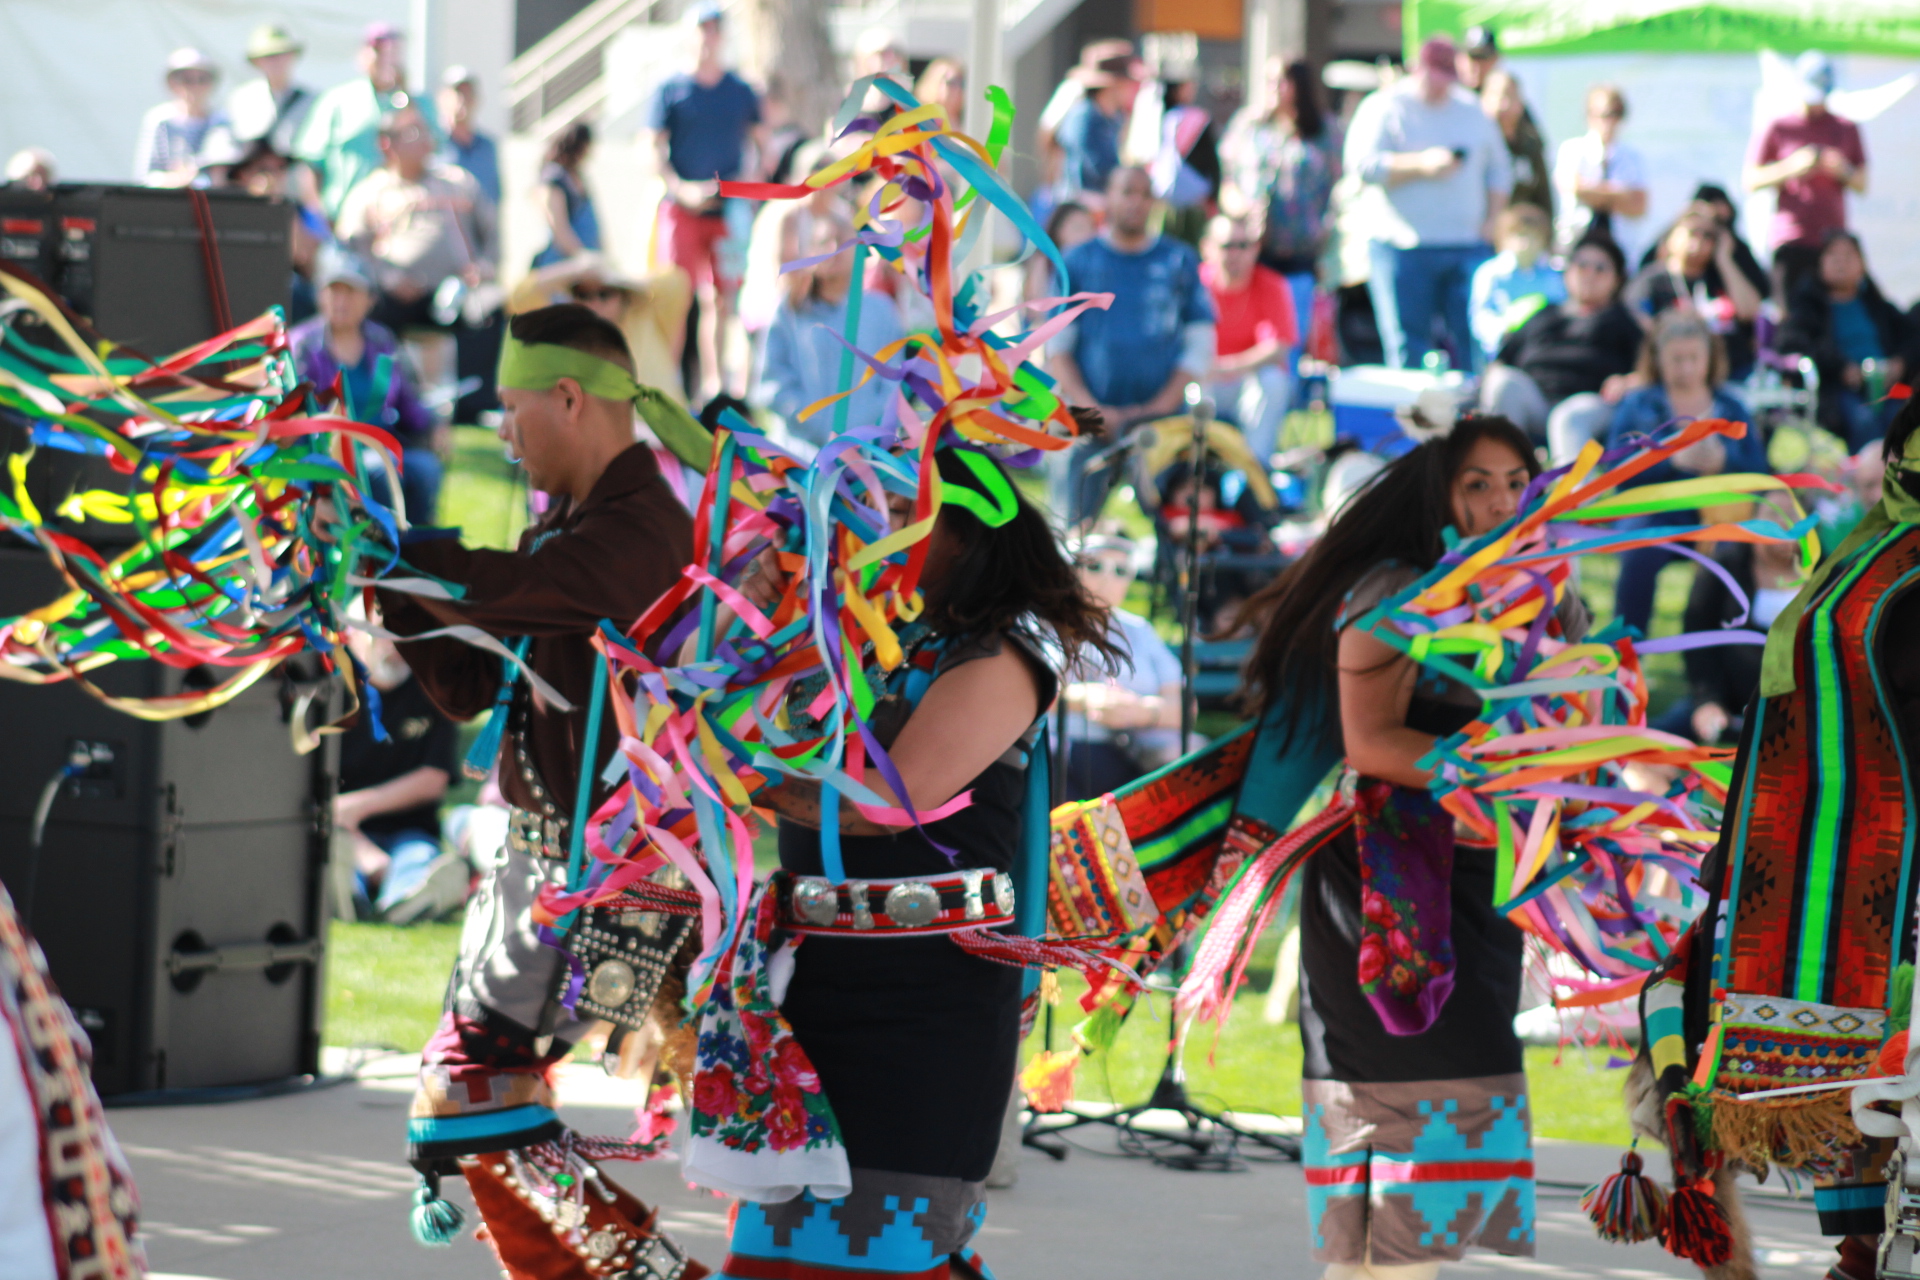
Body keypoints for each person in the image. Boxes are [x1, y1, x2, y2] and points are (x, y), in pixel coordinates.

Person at [724, 445, 1121, 1279]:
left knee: (889, 1252)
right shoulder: (844, 635)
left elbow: (890, 803)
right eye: (867, 511)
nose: (873, 532)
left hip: (928, 1002)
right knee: (775, 1256)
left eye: (901, 514)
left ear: (970, 529)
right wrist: (750, 619)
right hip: (814, 983)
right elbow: (731, 705)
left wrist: (734, 772)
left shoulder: (1008, 651)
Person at [376, 305, 702, 1277]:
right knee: (479, 1090)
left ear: (570, 398)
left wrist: (396, 552)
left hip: (609, 873)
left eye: (515, 410)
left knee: (469, 1089)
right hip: (547, 867)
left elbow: (522, 590)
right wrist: (390, 583)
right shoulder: (574, 522)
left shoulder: (646, 524)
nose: (503, 433)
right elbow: (480, 676)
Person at [1234, 414, 1560, 1278]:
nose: (1501, 500)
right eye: (1476, 483)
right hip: (1387, 896)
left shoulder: (1529, 592)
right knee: (1395, 1154)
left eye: (1517, 480)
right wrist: (1493, 774)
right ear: (1439, 493)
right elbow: (1372, 741)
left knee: (1443, 1159)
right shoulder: (1395, 591)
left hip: (1477, 893)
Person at [1636, 400, 1920, 1280]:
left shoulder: (1865, 567)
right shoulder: (1876, 570)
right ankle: (1864, 1246)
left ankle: (1865, 1248)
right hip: (1849, 891)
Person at [1049, 165, 1216, 526]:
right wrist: (1092, 411)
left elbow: (1200, 345)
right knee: (1068, 526)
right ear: (1108, 198)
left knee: (1178, 522)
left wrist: (1155, 408)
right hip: (1088, 420)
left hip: (1161, 422)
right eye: (1127, 192)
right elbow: (1056, 349)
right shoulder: (1077, 262)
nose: (1136, 203)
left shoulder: (1179, 260)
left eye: (1145, 194)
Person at [1345, 35, 1510, 370]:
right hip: (1402, 246)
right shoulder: (1384, 106)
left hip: (1465, 245)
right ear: (1417, 69)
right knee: (1408, 345)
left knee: (1471, 342)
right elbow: (1362, 166)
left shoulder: (1472, 110)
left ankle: (1470, 419)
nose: (1440, 90)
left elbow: (1500, 172)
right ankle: (1410, 419)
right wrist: (1419, 165)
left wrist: (1492, 220)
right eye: (1433, 80)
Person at [1605, 310, 1766, 635]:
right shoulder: (1638, 404)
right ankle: (1624, 657)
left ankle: (1721, 666)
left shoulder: (1731, 406)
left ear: (1710, 357)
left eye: (1695, 357)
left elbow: (1760, 473)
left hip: (1717, 517)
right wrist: (1671, 460)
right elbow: (1615, 470)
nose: (1687, 368)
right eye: (1677, 359)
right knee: (1640, 549)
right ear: (1657, 359)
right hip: (1654, 514)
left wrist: (1725, 462)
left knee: (1733, 554)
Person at [648, 1, 764, 402]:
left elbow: (759, 143)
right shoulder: (670, 90)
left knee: (722, 300)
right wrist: (680, 189)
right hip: (681, 210)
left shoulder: (741, 90)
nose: (708, 37)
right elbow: (652, 149)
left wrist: (747, 189)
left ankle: (716, 389)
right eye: (702, 29)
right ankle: (668, 385)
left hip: (727, 211)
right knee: (675, 297)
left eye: (715, 29)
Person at [289, 252, 443, 523]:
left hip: (380, 443)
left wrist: (435, 424)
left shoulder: (381, 341)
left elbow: (407, 402)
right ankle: (378, 555)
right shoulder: (302, 346)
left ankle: (417, 551)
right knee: (383, 473)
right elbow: (295, 417)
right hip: (327, 452)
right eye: (334, 291)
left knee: (425, 469)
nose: (341, 301)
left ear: (370, 300)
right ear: (319, 296)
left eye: (351, 293)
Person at [336, 622, 466, 923]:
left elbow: (434, 779)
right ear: (353, 638)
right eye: (382, 636)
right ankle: (349, 896)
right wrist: (360, 844)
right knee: (338, 855)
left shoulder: (433, 690)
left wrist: (356, 807)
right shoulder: (332, 692)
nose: (394, 648)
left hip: (409, 830)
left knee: (416, 857)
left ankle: (404, 901)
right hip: (339, 832)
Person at [336, 102, 497, 341]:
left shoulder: (457, 182)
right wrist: (385, 276)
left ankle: (477, 379)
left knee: (490, 310)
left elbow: (493, 232)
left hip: (457, 290)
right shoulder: (369, 192)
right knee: (373, 315)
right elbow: (350, 247)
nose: (424, 139)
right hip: (395, 297)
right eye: (413, 133)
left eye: (426, 130)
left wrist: (485, 265)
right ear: (387, 144)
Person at [1479, 234, 1643, 462]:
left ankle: (1573, 497)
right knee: (1503, 382)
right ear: (1567, 272)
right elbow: (1501, 362)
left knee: (1566, 418)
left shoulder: (1624, 322)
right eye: (1582, 265)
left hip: (1591, 405)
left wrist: (1627, 382)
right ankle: (1506, 480)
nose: (1589, 274)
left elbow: (1651, 372)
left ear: (1617, 279)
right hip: (1537, 402)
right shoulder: (1544, 314)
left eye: (1600, 268)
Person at [754, 214, 905, 451]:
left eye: (841, 241)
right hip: (800, 455)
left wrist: (862, 430)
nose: (834, 249)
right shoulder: (790, 310)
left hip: (865, 456)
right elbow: (771, 381)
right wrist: (812, 423)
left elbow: (894, 381)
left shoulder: (881, 311)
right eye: (824, 242)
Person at [1220, 56, 1337, 352]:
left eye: (1282, 81)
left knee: (1289, 339)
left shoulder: (1323, 132)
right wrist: (1242, 210)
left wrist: (1329, 234)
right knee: (1248, 338)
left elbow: (1340, 188)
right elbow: (1227, 183)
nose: (1274, 89)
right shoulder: (1250, 126)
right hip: (1252, 252)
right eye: (1269, 81)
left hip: (1300, 252)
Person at [1680, 491, 1807, 746]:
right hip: (1725, 706)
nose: (1782, 524)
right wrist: (1708, 701)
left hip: (1804, 713)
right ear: (1754, 521)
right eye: (1772, 514)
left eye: (1791, 515)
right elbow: (1696, 639)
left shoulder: (1830, 575)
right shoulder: (1721, 571)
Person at [1062, 534, 1181, 800]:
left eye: (1121, 570)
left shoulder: (1140, 630)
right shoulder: (1046, 623)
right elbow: (1028, 689)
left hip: (1139, 751)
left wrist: (1142, 712)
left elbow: (1185, 708)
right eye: (1094, 566)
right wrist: (1083, 697)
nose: (1107, 578)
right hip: (1069, 752)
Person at [1776, 228, 1915, 451]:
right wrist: (1841, 368)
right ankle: (1867, 481)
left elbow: (1912, 336)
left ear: (1862, 266)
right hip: (1837, 390)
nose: (1841, 263)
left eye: (1849, 256)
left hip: (1886, 386)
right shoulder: (1809, 305)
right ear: (1820, 263)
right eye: (1833, 256)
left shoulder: (1875, 304)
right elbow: (1792, 342)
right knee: (1865, 423)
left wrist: (1900, 363)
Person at [1746, 50, 1867, 300]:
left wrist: (1840, 168)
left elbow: (1862, 183)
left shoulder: (1845, 128)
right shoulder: (1779, 126)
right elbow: (1751, 180)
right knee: (1790, 314)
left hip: (1831, 242)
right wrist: (1791, 167)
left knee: (1832, 315)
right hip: (1791, 238)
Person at [294, 22, 436, 226]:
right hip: (343, 223)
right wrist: (318, 219)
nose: (384, 58)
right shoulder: (337, 101)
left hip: (406, 221)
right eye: (377, 50)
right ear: (362, 55)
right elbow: (309, 165)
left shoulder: (420, 103)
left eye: (391, 51)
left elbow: (436, 151)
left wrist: (405, 96)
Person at [510, 254, 693, 407]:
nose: (594, 303)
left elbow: (677, 280)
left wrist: (619, 277)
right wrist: (576, 269)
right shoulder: (568, 334)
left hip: (663, 436)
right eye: (583, 295)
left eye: (604, 294)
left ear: (623, 297)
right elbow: (518, 299)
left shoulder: (647, 319)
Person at [1201, 212, 1299, 465]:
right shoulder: (1194, 285)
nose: (1235, 254)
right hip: (1202, 379)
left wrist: (1231, 366)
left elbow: (1278, 347)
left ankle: (1255, 475)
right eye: (1227, 246)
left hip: (1246, 380)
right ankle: (1187, 475)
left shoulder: (1273, 285)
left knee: (1274, 382)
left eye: (1244, 245)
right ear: (1207, 248)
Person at [1624, 203, 1764, 378]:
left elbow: (1750, 311)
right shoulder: (1650, 280)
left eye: (1708, 236)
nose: (1699, 240)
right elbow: (1639, 323)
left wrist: (1725, 259)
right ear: (1672, 236)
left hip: (1736, 373)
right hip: (1677, 377)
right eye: (1693, 232)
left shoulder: (1721, 278)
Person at [1552, 84, 1648, 263]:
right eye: (1603, 114)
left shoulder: (1633, 158)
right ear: (1589, 115)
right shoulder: (1572, 149)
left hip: (1618, 248)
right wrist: (1620, 195)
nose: (1609, 121)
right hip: (1574, 244)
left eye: (1616, 114)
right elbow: (1573, 187)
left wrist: (1593, 192)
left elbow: (1639, 205)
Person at [1467, 203, 1565, 371]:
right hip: (1501, 358)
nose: (1525, 243)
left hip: (1544, 356)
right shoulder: (1490, 273)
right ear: (1504, 237)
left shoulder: (1554, 277)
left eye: (1533, 237)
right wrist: (1501, 332)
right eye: (1520, 235)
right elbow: (1480, 317)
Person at [1053, 50, 1144, 204]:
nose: (1130, 89)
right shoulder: (1083, 116)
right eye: (1126, 83)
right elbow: (1094, 168)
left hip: (1102, 205)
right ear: (1113, 85)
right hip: (1080, 206)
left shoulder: (1114, 119)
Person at [133, 47, 232, 187]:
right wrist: (174, 179)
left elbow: (222, 171)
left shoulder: (221, 121)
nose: (195, 86)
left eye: (202, 79)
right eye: (187, 80)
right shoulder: (159, 120)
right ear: (172, 83)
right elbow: (144, 177)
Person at [226, 23, 314, 156]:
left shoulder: (311, 101)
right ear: (256, 62)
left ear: (292, 56)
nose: (275, 61)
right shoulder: (241, 99)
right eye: (268, 56)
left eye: (281, 54)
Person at [1481, 69, 1551, 218]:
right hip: (1479, 231)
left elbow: (1543, 195)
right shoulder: (1475, 145)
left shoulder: (1530, 145)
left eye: (1509, 96)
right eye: (1496, 96)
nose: (1503, 104)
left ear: (1520, 104)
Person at [437, 65, 501, 207]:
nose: (463, 100)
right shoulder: (433, 143)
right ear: (443, 98)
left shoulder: (487, 147)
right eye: (458, 93)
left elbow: (495, 194)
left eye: (468, 94)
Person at [1023, 199, 1096, 305]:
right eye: (1078, 228)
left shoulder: (1094, 264)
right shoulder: (1044, 262)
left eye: (1090, 228)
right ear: (1058, 230)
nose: (1085, 235)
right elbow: (1036, 305)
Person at [914, 57, 967, 125]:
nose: (958, 89)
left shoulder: (969, 122)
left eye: (962, 83)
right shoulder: (919, 123)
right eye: (952, 82)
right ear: (934, 84)